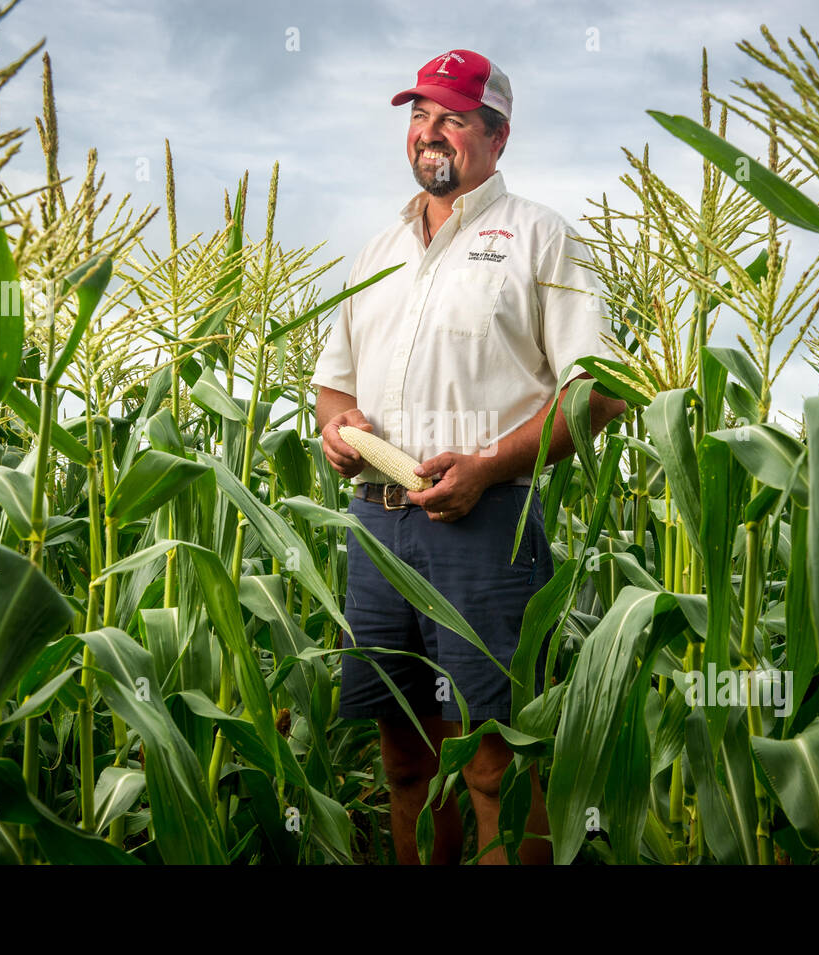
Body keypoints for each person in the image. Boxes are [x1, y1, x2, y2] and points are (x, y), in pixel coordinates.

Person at [311, 48, 625, 865]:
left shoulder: (541, 240)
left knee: (494, 759)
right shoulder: (376, 251)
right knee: (406, 756)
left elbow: (599, 391)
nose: (429, 133)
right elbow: (333, 388)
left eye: (452, 117)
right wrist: (340, 432)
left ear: (497, 135)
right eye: (419, 115)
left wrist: (485, 466)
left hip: (487, 527)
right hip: (380, 529)